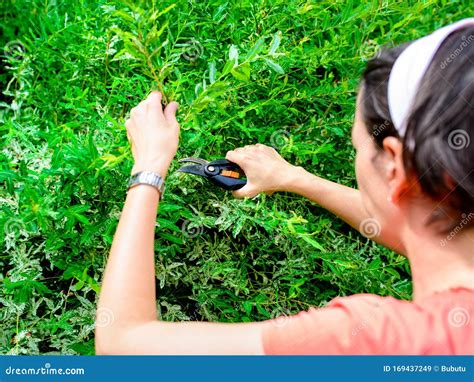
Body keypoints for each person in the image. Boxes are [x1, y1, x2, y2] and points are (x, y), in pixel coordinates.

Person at [95, 19, 474, 355]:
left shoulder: (378, 341)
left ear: (394, 167)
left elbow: (122, 345)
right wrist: (294, 177)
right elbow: (418, 224)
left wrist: (148, 167)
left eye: (357, 146)